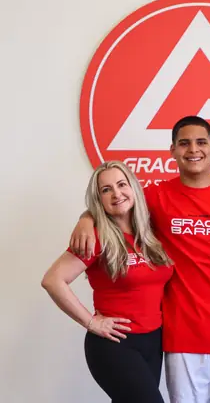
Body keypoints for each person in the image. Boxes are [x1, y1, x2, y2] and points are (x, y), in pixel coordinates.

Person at [69, 116, 210, 403]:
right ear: (172, 151)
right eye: (184, 143)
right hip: (181, 333)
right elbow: (118, 204)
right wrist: (87, 217)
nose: (193, 150)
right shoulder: (155, 197)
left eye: (201, 142)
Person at [41, 160, 174, 403]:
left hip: (153, 341)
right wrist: (91, 322)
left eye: (122, 184)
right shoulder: (95, 236)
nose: (116, 193)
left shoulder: (151, 235)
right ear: (98, 200)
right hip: (115, 346)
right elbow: (53, 280)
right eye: (106, 189)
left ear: (134, 188)